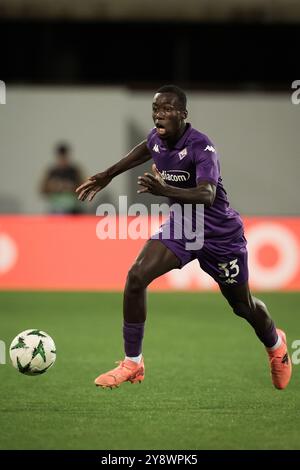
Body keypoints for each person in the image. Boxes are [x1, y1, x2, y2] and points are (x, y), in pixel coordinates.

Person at [76, 85, 292, 390]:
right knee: (136, 276)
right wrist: (108, 173)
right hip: (183, 228)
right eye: (155, 110)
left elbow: (207, 194)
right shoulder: (157, 138)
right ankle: (132, 363)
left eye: (166, 110)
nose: (158, 116)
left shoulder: (202, 148)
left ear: (183, 114)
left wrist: (164, 190)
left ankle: (275, 344)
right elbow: (145, 148)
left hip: (219, 235)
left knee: (242, 306)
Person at [41, 143, 84, 214]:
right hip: (55, 209)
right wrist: (53, 187)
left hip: (72, 209)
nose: (62, 159)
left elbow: (83, 188)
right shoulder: (51, 172)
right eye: (61, 157)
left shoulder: (75, 171)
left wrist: (71, 187)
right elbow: (43, 189)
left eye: (64, 157)